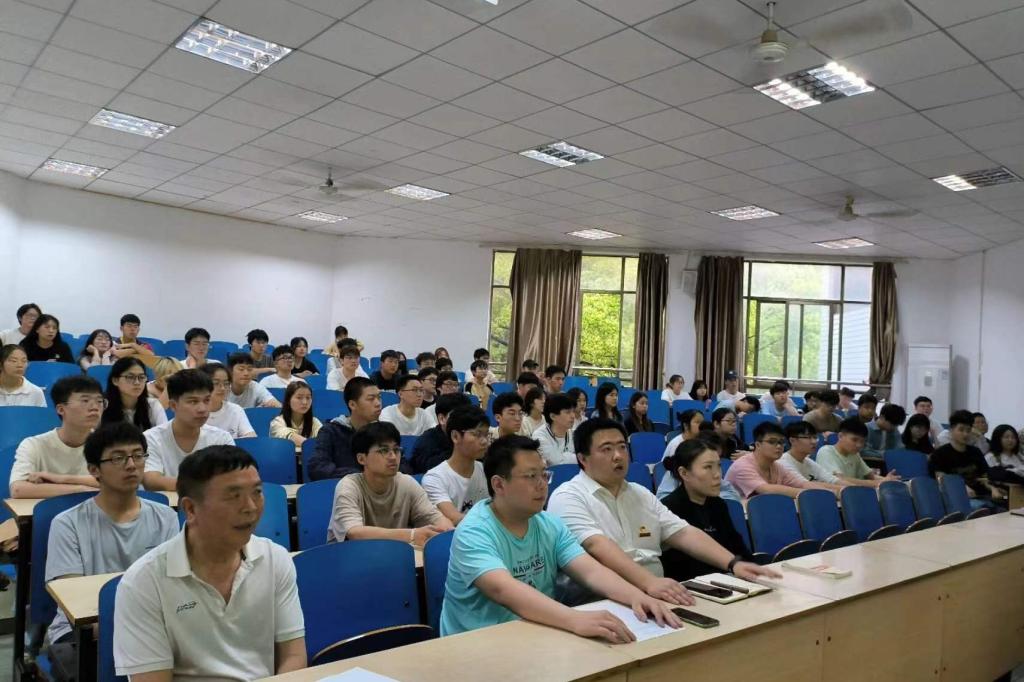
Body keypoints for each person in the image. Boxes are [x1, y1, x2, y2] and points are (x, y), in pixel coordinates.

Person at [440, 434, 681, 640]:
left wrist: (637, 596)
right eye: (531, 476)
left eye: (544, 475)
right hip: (477, 642)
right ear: (499, 485)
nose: (542, 485)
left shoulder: (549, 524)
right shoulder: (474, 531)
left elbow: (591, 572)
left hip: (538, 632)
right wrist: (574, 619)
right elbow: (503, 590)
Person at [115, 445, 307, 680]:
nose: (250, 507)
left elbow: (294, 656)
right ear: (190, 509)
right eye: (234, 496)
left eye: (257, 492)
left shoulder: (274, 558)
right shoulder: (143, 582)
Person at [548, 418, 778, 603]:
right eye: (606, 449)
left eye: (622, 447)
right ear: (583, 458)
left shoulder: (640, 493)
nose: (618, 455)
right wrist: (649, 582)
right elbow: (597, 546)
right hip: (601, 600)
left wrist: (733, 563)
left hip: (657, 593)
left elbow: (684, 533)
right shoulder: (568, 496)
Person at [45, 422, 179, 680]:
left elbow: (171, 585)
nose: (131, 465)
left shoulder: (166, 517)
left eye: (138, 455)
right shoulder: (68, 523)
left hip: (151, 628)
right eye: (118, 458)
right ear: (94, 470)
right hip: (83, 632)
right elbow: (74, 602)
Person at [327, 422, 452, 542]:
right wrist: (412, 535)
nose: (393, 457)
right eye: (383, 450)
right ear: (361, 459)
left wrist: (447, 530)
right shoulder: (349, 486)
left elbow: (434, 518)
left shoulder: (406, 483)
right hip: (349, 555)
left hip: (395, 554)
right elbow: (355, 533)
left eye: (396, 450)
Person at [659, 440, 757, 581]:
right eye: (708, 467)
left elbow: (738, 547)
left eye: (719, 466)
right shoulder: (668, 509)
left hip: (728, 580)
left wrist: (756, 573)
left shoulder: (718, 504)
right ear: (684, 473)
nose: (717, 475)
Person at [10, 376, 104, 498]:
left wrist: (62, 479)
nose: (95, 407)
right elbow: (18, 489)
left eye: (99, 401)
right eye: (85, 401)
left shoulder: (107, 445)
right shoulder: (34, 445)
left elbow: (117, 482)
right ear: (61, 409)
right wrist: (80, 490)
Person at [142, 370, 235, 491]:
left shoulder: (222, 439)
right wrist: (202, 486)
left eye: (207, 400)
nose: (202, 409)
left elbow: (231, 478)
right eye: (193, 401)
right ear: (173, 405)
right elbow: (151, 480)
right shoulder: (150, 438)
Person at [724, 421, 836, 499]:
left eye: (781, 442)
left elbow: (803, 484)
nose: (778, 446)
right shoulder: (742, 466)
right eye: (772, 442)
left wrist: (831, 493)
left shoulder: (777, 466)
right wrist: (812, 495)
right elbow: (767, 490)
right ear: (757, 445)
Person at [308, 377, 389, 481]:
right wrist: (361, 476)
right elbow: (318, 467)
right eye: (371, 399)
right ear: (352, 404)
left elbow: (402, 465)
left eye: (379, 397)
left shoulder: (384, 431)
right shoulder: (331, 431)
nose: (378, 403)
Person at [423, 407, 491, 526]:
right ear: (455, 436)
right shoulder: (434, 478)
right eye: (477, 434)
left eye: (486, 435)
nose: (485, 441)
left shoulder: (486, 471)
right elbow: (454, 518)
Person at [929, 410, 996, 505]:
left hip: (982, 496)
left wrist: (993, 489)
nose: (965, 434)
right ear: (951, 430)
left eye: (968, 430)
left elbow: (984, 476)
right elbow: (941, 479)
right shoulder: (940, 454)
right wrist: (962, 488)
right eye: (961, 430)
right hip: (956, 498)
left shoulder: (976, 452)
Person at [815, 418, 900, 489]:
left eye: (862, 441)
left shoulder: (854, 454)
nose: (859, 445)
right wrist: (878, 482)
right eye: (854, 440)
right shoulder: (826, 451)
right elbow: (839, 480)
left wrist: (888, 480)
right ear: (840, 436)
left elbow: (871, 476)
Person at [102, 357, 168, 432]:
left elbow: (164, 435)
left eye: (141, 377)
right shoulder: (102, 406)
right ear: (115, 380)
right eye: (130, 377)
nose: (137, 382)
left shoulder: (153, 405)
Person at [411, 393, 472, 474]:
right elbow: (428, 471)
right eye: (458, 416)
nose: (465, 421)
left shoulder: (472, 437)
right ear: (442, 419)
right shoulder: (426, 442)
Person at [779, 422, 843, 489]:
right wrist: (838, 491)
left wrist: (848, 488)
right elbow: (805, 484)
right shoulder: (783, 462)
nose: (814, 442)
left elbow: (832, 479)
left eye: (815, 437)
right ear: (792, 440)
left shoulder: (808, 461)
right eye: (808, 437)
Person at [200, 364, 256, 439]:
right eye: (216, 383)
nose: (223, 388)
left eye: (226, 383)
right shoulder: (195, 412)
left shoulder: (236, 410)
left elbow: (251, 436)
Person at [270, 381, 322, 452]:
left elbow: (324, 439)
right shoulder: (277, 422)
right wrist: (311, 445)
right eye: (299, 397)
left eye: (308, 398)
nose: (305, 402)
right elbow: (292, 437)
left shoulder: (314, 421)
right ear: (288, 400)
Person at [534, 393, 576, 467]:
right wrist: (573, 457)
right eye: (568, 412)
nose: (573, 416)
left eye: (573, 411)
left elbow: (585, 459)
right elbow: (556, 462)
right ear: (553, 416)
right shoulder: (539, 436)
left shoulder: (575, 434)